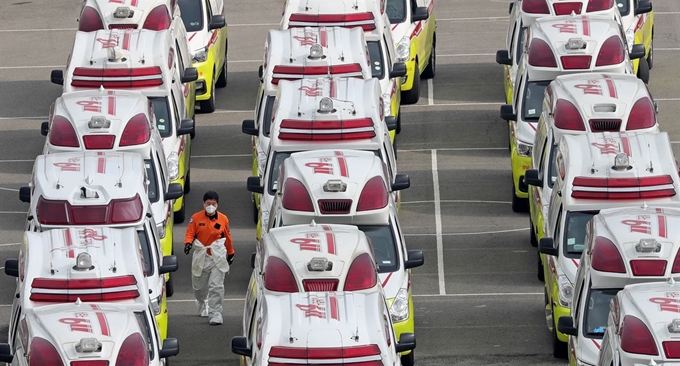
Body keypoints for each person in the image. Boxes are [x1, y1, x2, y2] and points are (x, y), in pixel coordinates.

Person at [184, 191, 235, 325]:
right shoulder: (196, 218)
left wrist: (231, 253)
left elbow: (227, 237)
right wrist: (188, 243)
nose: (210, 206)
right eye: (208, 203)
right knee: (199, 287)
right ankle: (202, 302)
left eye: (213, 204)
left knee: (216, 286)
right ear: (203, 204)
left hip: (217, 256)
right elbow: (190, 233)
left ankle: (215, 313)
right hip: (202, 256)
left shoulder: (223, 219)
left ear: (217, 204)